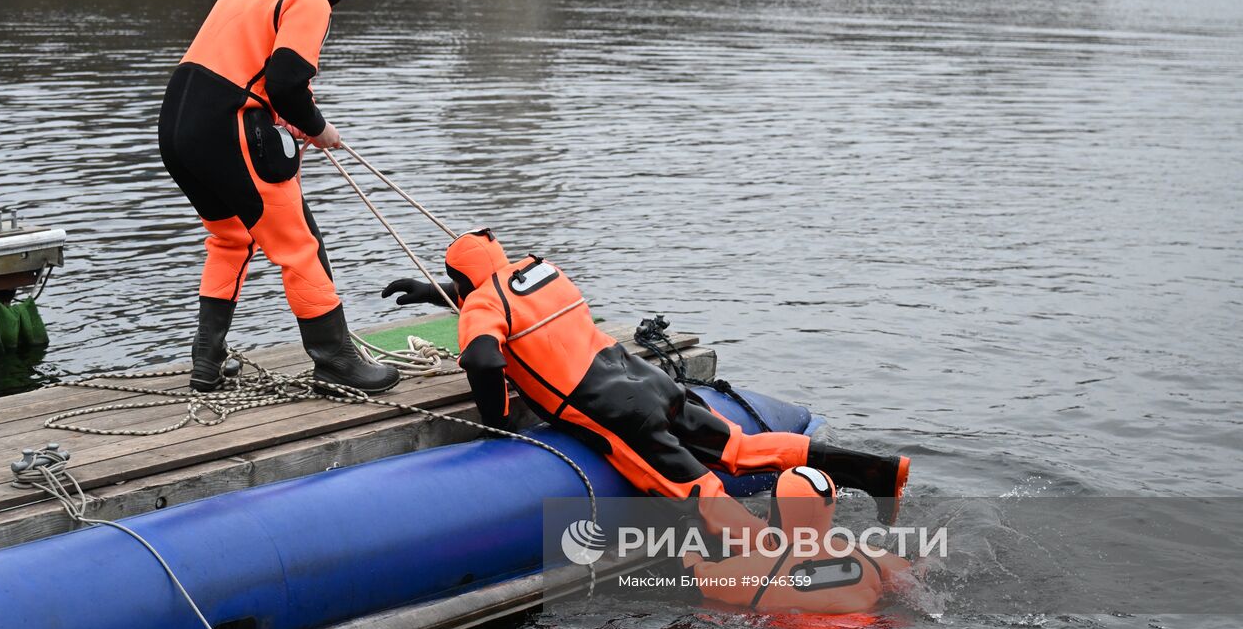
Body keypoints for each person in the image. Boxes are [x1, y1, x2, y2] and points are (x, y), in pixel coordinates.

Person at [382, 229, 910, 542]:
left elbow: (480, 356)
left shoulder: (479, 306)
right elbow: (498, 292)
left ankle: (769, 559)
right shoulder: (544, 270)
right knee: (740, 448)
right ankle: (876, 469)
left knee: (693, 487)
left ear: (464, 282)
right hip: (648, 380)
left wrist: (498, 422)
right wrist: (434, 293)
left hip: (610, 410)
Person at [159, 0, 398, 394]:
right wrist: (318, 128)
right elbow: (288, 84)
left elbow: (247, 64)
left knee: (229, 239)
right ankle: (336, 362)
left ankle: (206, 363)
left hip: (176, 128)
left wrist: (280, 112)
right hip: (229, 128)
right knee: (299, 243)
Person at [683, 466, 911, 614]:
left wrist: (690, 525)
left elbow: (692, 576)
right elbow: (913, 574)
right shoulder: (869, 556)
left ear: (778, 509)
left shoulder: (757, 570)